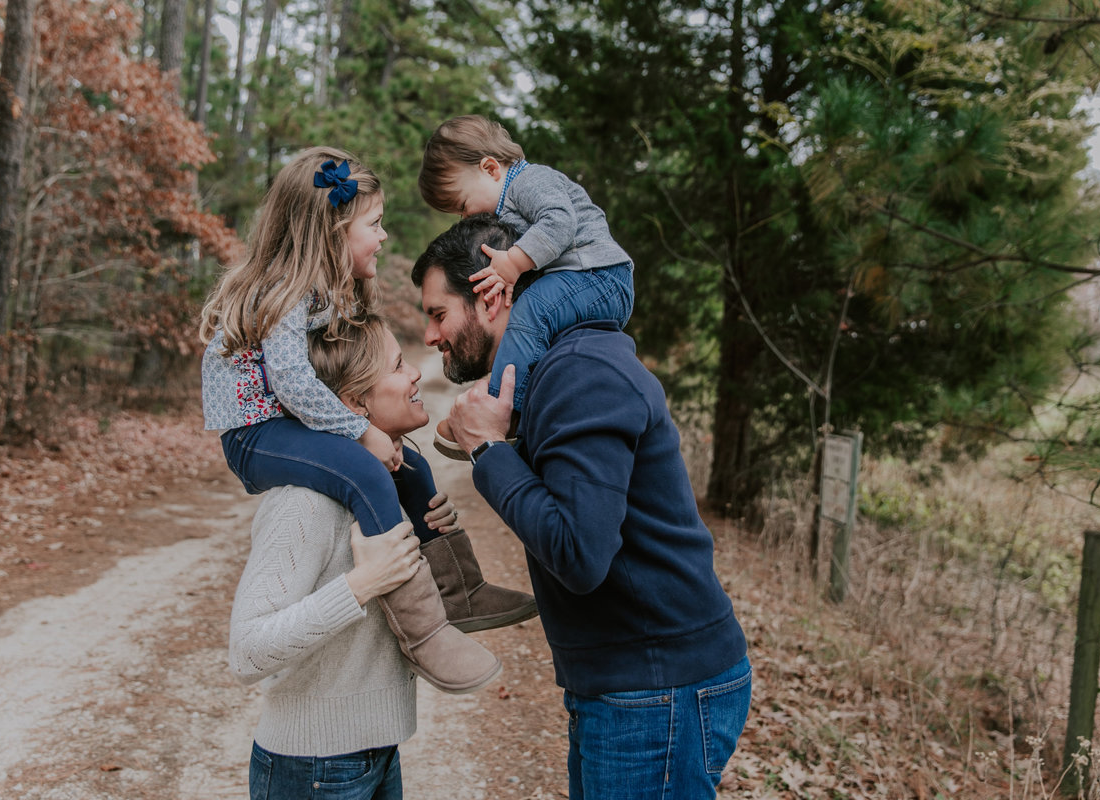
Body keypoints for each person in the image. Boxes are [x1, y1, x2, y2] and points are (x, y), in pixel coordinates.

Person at [411, 214, 752, 799]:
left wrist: (489, 450)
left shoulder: (580, 373)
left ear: (492, 295)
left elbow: (579, 552)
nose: (431, 337)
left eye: (439, 314)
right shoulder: (554, 372)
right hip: (632, 687)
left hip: (657, 689)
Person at [203, 146, 525, 693]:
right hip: (256, 433)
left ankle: (459, 590)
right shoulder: (288, 291)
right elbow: (294, 383)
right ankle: (424, 632)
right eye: (373, 225)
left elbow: (337, 367)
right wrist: (362, 430)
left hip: (287, 422)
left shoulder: (326, 293)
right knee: (366, 472)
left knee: (414, 469)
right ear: (332, 232)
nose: (382, 238)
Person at [229, 315, 518, 799]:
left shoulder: (388, 485)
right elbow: (247, 651)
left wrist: (433, 543)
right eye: (399, 365)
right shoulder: (305, 502)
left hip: (377, 751)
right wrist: (362, 584)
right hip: (313, 766)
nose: (415, 376)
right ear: (353, 402)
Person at [417, 115, 635, 458]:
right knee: (530, 316)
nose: (464, 217)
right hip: (583, 278)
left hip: (600, 276)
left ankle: (503, 410)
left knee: (531, 309)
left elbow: (561, 221)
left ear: (490, 169)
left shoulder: (530, 181)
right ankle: (527, 400)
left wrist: (514, 262)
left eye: (461, 205)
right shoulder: (508, 199)